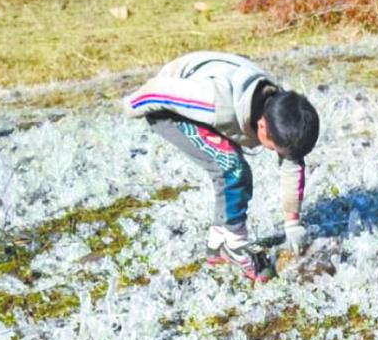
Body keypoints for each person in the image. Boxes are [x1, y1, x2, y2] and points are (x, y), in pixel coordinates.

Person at [123, 52, 320, 282]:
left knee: (229, 168)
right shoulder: (214, 102)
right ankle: (235, 246)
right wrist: (130, 105)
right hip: (168, 105)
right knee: (231, 167)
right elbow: (158, 91)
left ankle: (217, 247)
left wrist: (293, 223)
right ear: (262, 127)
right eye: (274, 148)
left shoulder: (282, 110)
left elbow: (292, 163)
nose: (275, 153)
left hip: (217, 98)